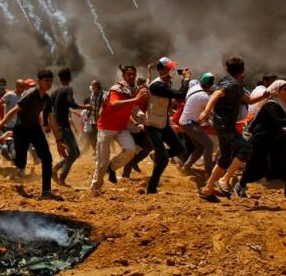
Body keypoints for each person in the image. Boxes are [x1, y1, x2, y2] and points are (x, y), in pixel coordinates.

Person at [198, 56, 270, 201]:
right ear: (242, 70)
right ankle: (224, 180)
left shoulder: (228, 81)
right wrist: (206, 111)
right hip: (224, 124)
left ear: (227, 69)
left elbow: (248, 100)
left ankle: (208, 189)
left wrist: (264, 96)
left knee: (225, 158)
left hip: (222, 123)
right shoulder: (233, 84)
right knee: (246, 149)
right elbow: (217, 95)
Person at [0, 69, 60, 198]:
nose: (49, 83)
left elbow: (52, 119)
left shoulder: (47, 99)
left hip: (35, 129)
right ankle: (8, 144)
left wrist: (59, 141)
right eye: (46, 80)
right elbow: (13, 111)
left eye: (51, 81)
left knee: (47, 158)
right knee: (20, 162)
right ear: (39, 82)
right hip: (21, 130)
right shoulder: (31, 94)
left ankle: (46, 191)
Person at [235, 80, 286, 199]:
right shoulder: (271, 105)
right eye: (284, 89)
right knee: (258, 168)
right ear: (276, 91)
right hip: (262, 139)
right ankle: (240, 185)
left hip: (275, 138)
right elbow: (278, 121)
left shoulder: (281, 105)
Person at [91, 65, 148, 194]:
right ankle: (95, 186)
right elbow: (115, 104)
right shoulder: (116, 89)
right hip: (106, 127)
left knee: (130, 150)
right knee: (101, 162)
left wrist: (139, 113)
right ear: (123, 76)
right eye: (129, 74)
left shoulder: (134, 90)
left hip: (121, 127)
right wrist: (136, 99)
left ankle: (112, 167)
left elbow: (133, 106)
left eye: (134, 74)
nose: (132, 76)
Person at [143, 59, 191, 194]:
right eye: (168, 68)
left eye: (172, 67)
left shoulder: (166, 83)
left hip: (162, 124)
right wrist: (186, 79)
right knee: (164, 158)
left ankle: (156, 155)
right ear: (160, 70)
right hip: (152, 124)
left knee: (180, 149)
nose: (172, 70)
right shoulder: (157, 86)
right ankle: (152, 186)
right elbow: (181, 94)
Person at [50, 67, 91, 186]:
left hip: (59, 127)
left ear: (60, 79)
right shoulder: (68, 89)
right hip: (64, 127)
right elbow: (71, 104)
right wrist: (85, 107)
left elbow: (50, 109)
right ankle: (60, 177)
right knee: (73, 153)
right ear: (70, 78)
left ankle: (56, 169)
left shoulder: (54, 92)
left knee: (76, 153)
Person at [178, 73, 216, 174]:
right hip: (190, 124)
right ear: (210, 85)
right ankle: (209, 174)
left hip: (184, 122)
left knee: (200, 147)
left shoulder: (194, 87)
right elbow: (209, 116)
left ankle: (186, 167)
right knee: (209, 145)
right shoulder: (205, 98)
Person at [81, 80, 103, 155]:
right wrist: (88, 113)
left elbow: (105, 106)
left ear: (97, 86)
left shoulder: (104, 94)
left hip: (101, 121)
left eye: (92, 85)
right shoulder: (92, 94)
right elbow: (91, 106)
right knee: (91, 138)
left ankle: (101, 152)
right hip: (93, 121)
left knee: (101, 138)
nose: (91, 87)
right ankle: (97, 152)